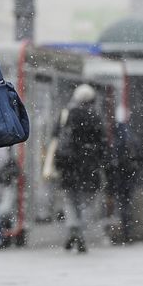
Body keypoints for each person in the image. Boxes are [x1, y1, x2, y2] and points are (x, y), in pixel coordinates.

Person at [53, 84, 107, 253]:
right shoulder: (96, 116)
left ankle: (73, 227)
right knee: (87, 203)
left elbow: (56, 138)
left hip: (69, 165)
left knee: (69, 201)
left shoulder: (66, 114)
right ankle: (81, 233)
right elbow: (103, 144)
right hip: (89, 167)